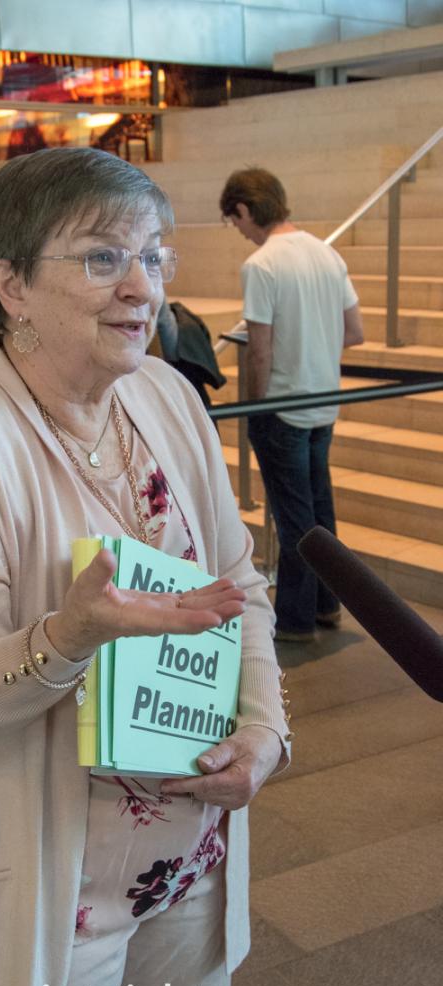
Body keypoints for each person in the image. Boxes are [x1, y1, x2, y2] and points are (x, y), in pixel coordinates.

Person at [0, 148, 291, 986]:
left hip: (189, 860)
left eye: (155, 256)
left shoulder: (166, 395)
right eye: (102, 259)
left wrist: (262, 727)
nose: (143, 287)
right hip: (51, 891)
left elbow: (238, 584)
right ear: (10, 284)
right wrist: (67, 638)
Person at [219, 167, 365, 643]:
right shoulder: (327, 254)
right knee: (321, 508)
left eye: (233, 220)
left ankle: (297, 619)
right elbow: (355, 332)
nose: (237, 230)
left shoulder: (262, 265)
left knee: (294, 516)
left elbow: (259, 350)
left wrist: (254, 408)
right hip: (325, 401)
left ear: (244, 209)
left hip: (282, 407)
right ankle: (328, 604)